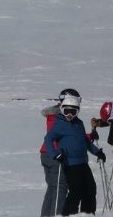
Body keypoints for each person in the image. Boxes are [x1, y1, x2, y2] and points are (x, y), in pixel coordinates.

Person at [43, 94, 106, 215]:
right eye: (66, 112)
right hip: (70, 164)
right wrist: (54, 154)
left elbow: (85, 141)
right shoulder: (60, 123)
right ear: (62, 110)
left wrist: (97, 151)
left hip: (83, 163)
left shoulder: (79, 123)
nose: (70, 115)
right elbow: (48, 139)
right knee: (76, 191)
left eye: (73, 112)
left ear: (77, 111)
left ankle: (87, 213)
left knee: (90, 189)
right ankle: (68, 214)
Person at [40, 88, 78, 216]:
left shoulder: (56, 115)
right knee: (60, 188)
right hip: (55, 156)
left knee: (52, 188)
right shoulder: (60, 116)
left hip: (47, 154)